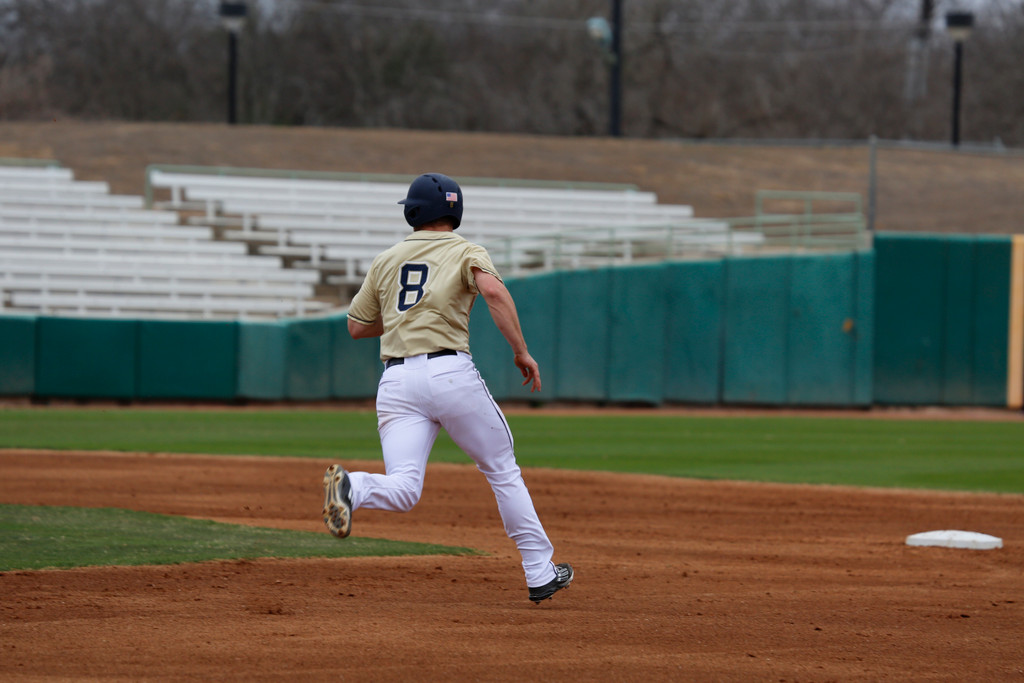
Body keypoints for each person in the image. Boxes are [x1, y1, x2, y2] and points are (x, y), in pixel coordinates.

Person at [322, 172, 573, 604]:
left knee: (403, 488)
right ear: (455, 210)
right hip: (448, 373)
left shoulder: (386, 259)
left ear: (413, 212)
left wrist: (406, 314)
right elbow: (493, 292)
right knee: (501, 469)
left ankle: (355, 487)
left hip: (396, 382)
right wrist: (521, 351)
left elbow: (356, 326)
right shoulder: (466, 250)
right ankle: (538, 571)